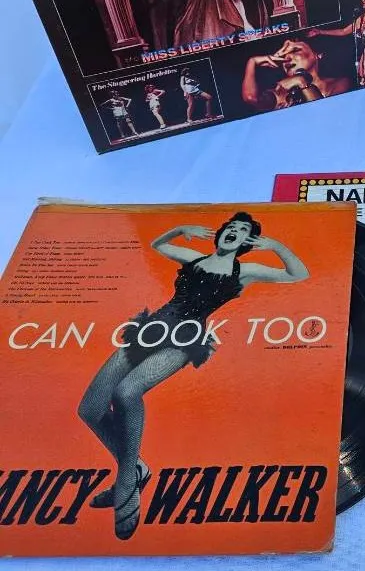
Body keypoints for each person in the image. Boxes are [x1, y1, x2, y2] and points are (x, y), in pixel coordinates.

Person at [77, 213, 309, 539]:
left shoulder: (245, 271)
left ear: (246, 241)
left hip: (186, 338)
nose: (234, 231)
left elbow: (299, 274)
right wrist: (180, 228)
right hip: (152, 328)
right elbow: (158, 245)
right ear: (221, 233)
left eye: (243, 230)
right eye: (231, 227)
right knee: (90, 409)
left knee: (127, 392)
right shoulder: (194, 258)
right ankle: (138, 467)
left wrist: (275, 246)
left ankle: (127, 481)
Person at [242, 37, 351, 111]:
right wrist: (252, 62)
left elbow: (325, 116)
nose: (287, 57)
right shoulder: (280, 91)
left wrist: (302, 82)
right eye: (283, 56)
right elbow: (251, 98)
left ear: (317, 54)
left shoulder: (340, 83)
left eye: (295, 51)